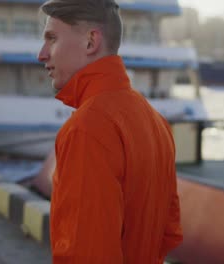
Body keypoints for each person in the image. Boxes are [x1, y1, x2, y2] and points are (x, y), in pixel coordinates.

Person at [37, 0, 183, 262]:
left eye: (52, 39)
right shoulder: (156, 122)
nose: (42, 54)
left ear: (91, 42)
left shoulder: (87, 128)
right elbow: (168, 233)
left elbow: (87, 253)